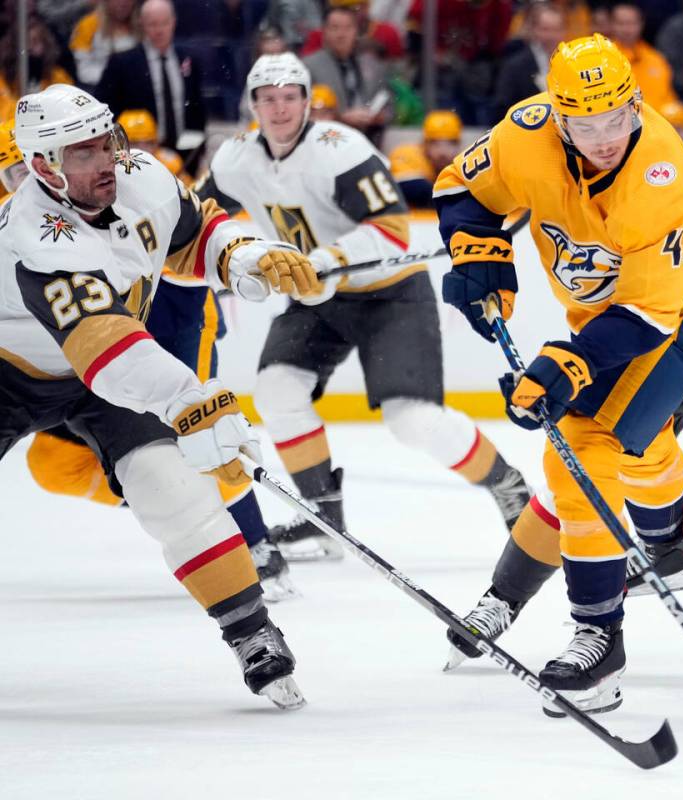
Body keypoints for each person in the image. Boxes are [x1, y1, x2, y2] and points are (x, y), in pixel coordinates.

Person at [433, 34, 683, 714]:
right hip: (602, 318)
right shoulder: (524, 133)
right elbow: (461, 188)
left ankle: (600, 642)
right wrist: (479, 254)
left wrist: (565, 364)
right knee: (597, 448)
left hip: (681, 319)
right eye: (586, 124)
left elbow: (645, 315)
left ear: (635, 104)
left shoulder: (660, 173)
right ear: (558, 114)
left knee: (583, 448)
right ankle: (655, 546)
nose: (605, 138)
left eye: (617, 119)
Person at [1, 84, 322, 705]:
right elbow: (101, 344)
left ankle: (252, 634)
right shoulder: (34, 232)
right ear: (43, 165)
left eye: (107, 142)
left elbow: (192, 236)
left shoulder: (139, 174)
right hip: (13, 369)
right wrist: (185, 398)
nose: (107, 161)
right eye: (84, 152)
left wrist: (246, 257)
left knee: (175, 489)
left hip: (106, 371)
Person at [195, 54, 531, 562]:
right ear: (252, 105)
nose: (280, 108)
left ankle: (507, 485)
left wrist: (329, 258)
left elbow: (392, 228)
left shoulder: (340, 149)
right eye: (268, 99)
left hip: (389, 291)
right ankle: (323, 520)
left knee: (412, 419)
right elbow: (199, 223)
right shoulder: (234, 159)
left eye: (290, 97)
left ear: (308, 102)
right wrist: (234, 261)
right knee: (276, 390)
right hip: (316, 296)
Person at [96, 0, 206, 153]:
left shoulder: (188, 61)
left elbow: (197, 111)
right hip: (140, 153)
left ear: (173, 22)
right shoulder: (122, 63)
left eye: (164, 23)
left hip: (184, 154)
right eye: (153, 24)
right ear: (142, 24)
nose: (159, 30)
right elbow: (106, 109)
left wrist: (197, 152)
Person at [302, 5, 393, 143]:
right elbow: (302, 112)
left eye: (348, 28)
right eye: (335, 27)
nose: (341, 34)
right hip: (327, 139)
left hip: (368, 138)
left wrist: (379, 116)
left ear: (356, 31)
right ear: (324, 31)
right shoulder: (308, 66)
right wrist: (341, 117)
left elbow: (388, 103)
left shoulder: (372, 65)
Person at [491, 2, 568, 123]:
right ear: (534, 29)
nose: (552, 36)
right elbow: (502, 109)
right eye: (545, 29)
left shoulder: (571, 65)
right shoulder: (513, 67)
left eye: (556, 29)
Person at [388, 110, 463, 207]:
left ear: (459, 145)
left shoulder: (464, 164)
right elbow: (416, 190)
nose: (443, 152)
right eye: (435, 143)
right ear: (425, 143)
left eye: (451, 143)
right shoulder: (407, 155)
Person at [69, 0, 140, 89]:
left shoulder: (142, 22)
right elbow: (84, 71)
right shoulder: (88, 25)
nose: (123, 3)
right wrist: (116, 78)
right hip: (99, 88)